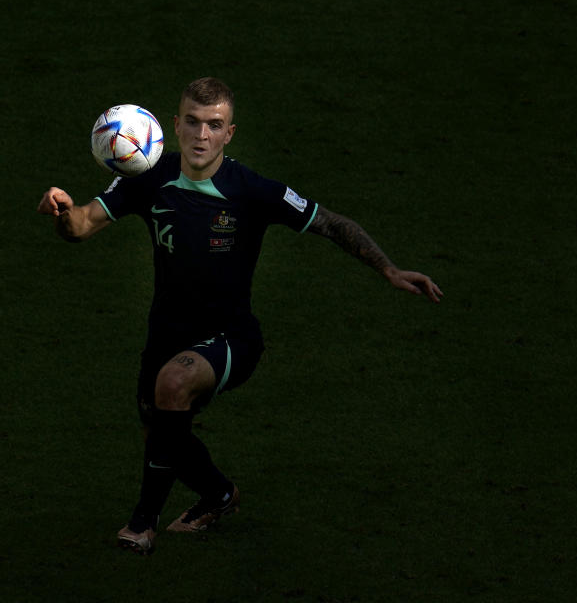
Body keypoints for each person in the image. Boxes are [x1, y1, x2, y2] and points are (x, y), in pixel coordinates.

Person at [37, 77, 443, 555]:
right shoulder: (146, 177)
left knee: (171, 387)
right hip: (166, 330)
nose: (201, 135)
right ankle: (218, 494)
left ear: (229, 133)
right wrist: (63, 210)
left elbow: (332, 223)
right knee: (159, 430)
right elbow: (81, 227)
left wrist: (388, 268)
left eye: (214, 125)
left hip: (232, 337)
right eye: (192, 121)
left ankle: (142, 526)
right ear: (174, 125)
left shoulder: (252, 190)